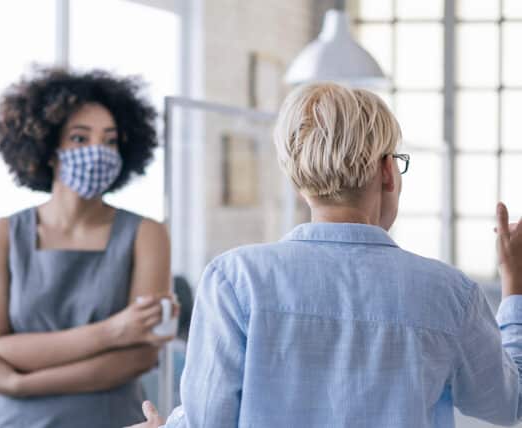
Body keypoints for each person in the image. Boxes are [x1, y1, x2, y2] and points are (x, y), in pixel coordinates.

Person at [130, 82, 522, 428]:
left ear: (298, 179)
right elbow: (509, 404)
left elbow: (208, 420)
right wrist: (515, 284)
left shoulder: (236, 278)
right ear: (387, 172)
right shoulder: (450, 293)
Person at [0, 68, 177, 428]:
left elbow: (140, 357)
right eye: (80, 139)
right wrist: (114, 331)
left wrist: (22, 382)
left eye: (110, 140)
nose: (98, 151)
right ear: (49, 148)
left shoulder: (147, 233)